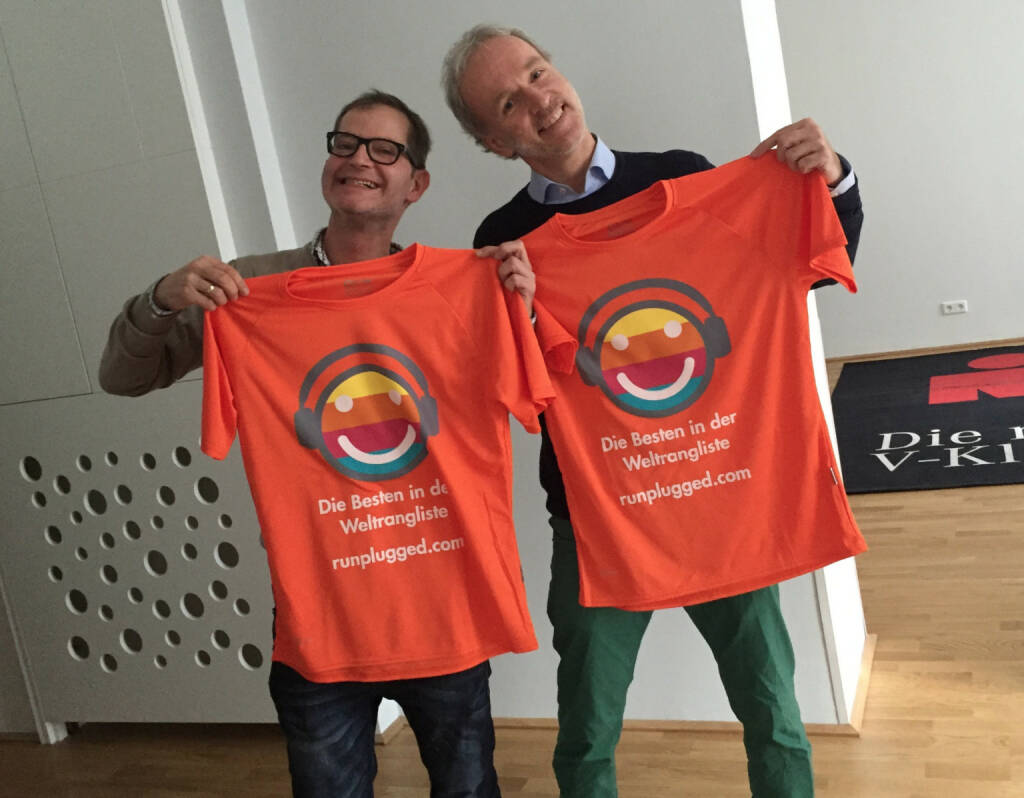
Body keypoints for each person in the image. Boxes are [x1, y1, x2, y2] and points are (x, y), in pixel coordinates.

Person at [442, 25, 864, 798]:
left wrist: (831, 182)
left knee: (773, 710)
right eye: (508, 102)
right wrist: (516, 323)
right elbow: (506, 393)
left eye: (537, 72)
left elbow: (807, 273)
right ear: (494, 142)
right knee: (587, 733)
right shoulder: (501, 242)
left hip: (718, 491)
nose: (539, 99)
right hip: (595, 518)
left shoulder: (687, 179)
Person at [100, 91, 506, 798]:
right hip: (319, 613)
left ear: (416, 184)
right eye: (345, 142)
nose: (359, 159)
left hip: (442, 605)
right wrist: (160, 299)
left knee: (467, 788)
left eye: (384, 150)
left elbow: (523, 389)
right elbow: (122, 377)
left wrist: (515, 302)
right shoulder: (249, 289)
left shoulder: (458, 290)